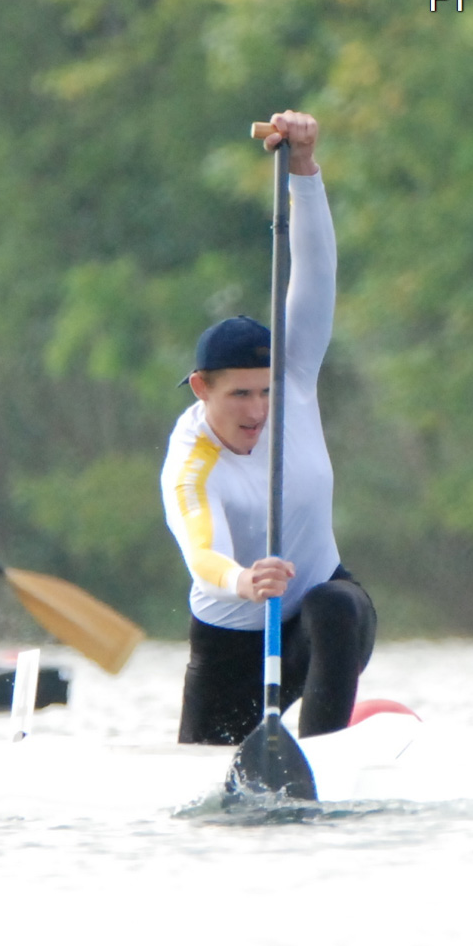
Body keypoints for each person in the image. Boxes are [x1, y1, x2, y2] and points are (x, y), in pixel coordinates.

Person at [160, 110, 377, 745]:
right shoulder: (190, 462)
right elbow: (202, 554)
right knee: (210, 790)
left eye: (265, 393)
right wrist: (245, 580)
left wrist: (304, 169)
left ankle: (319, 758)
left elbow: (315, 272)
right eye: (239, 397)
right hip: (232, 639)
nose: (257, 411)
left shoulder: (296, 376)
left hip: (320, 620)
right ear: (202, 389)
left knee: (335, 604)